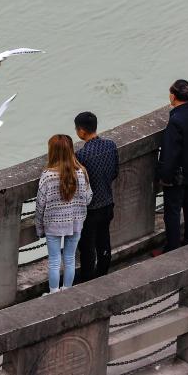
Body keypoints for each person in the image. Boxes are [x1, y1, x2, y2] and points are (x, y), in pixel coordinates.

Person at [155, 80, 188, 254]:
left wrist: (164, 176)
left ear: (173, 96)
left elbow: (170, 153)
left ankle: (172, 247)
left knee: (172, 211)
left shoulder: (175, 121)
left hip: (177, 174)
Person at [35, 135, 92, 293]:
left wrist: (39, 228)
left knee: (54, 261)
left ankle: (53, 293)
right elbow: (88, 198)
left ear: (52, 152)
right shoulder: (81, 172)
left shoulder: (47, 176)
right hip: (76, 223)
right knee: (70, 259)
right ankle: (67, 291)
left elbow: (40, 205)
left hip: (53, 224)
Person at [72, 111, 119, 283]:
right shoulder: (111, 145)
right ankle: (103, 272)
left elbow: (78, 185)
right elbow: (115, 172)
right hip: (107, 202)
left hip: (90, 209)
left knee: (87, 246)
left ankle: (87, 278)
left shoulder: (81, 156)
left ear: (81, 131)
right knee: (104, 240)